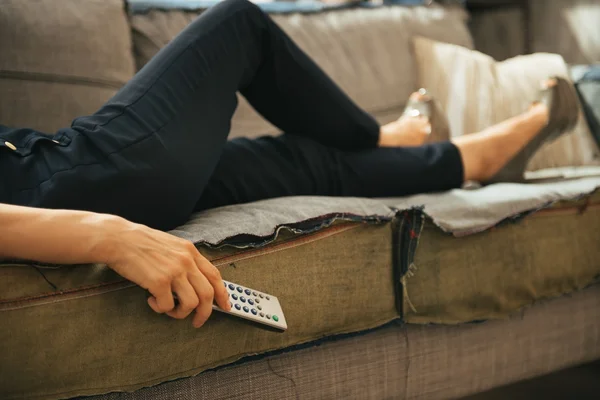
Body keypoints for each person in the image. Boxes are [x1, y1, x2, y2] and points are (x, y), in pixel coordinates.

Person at [0, 0, 579, 329]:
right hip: (63, 182)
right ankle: (390, 135)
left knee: (292, 161)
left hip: (62, 176)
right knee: (237, 24)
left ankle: (475, 157)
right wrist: (107, 234)